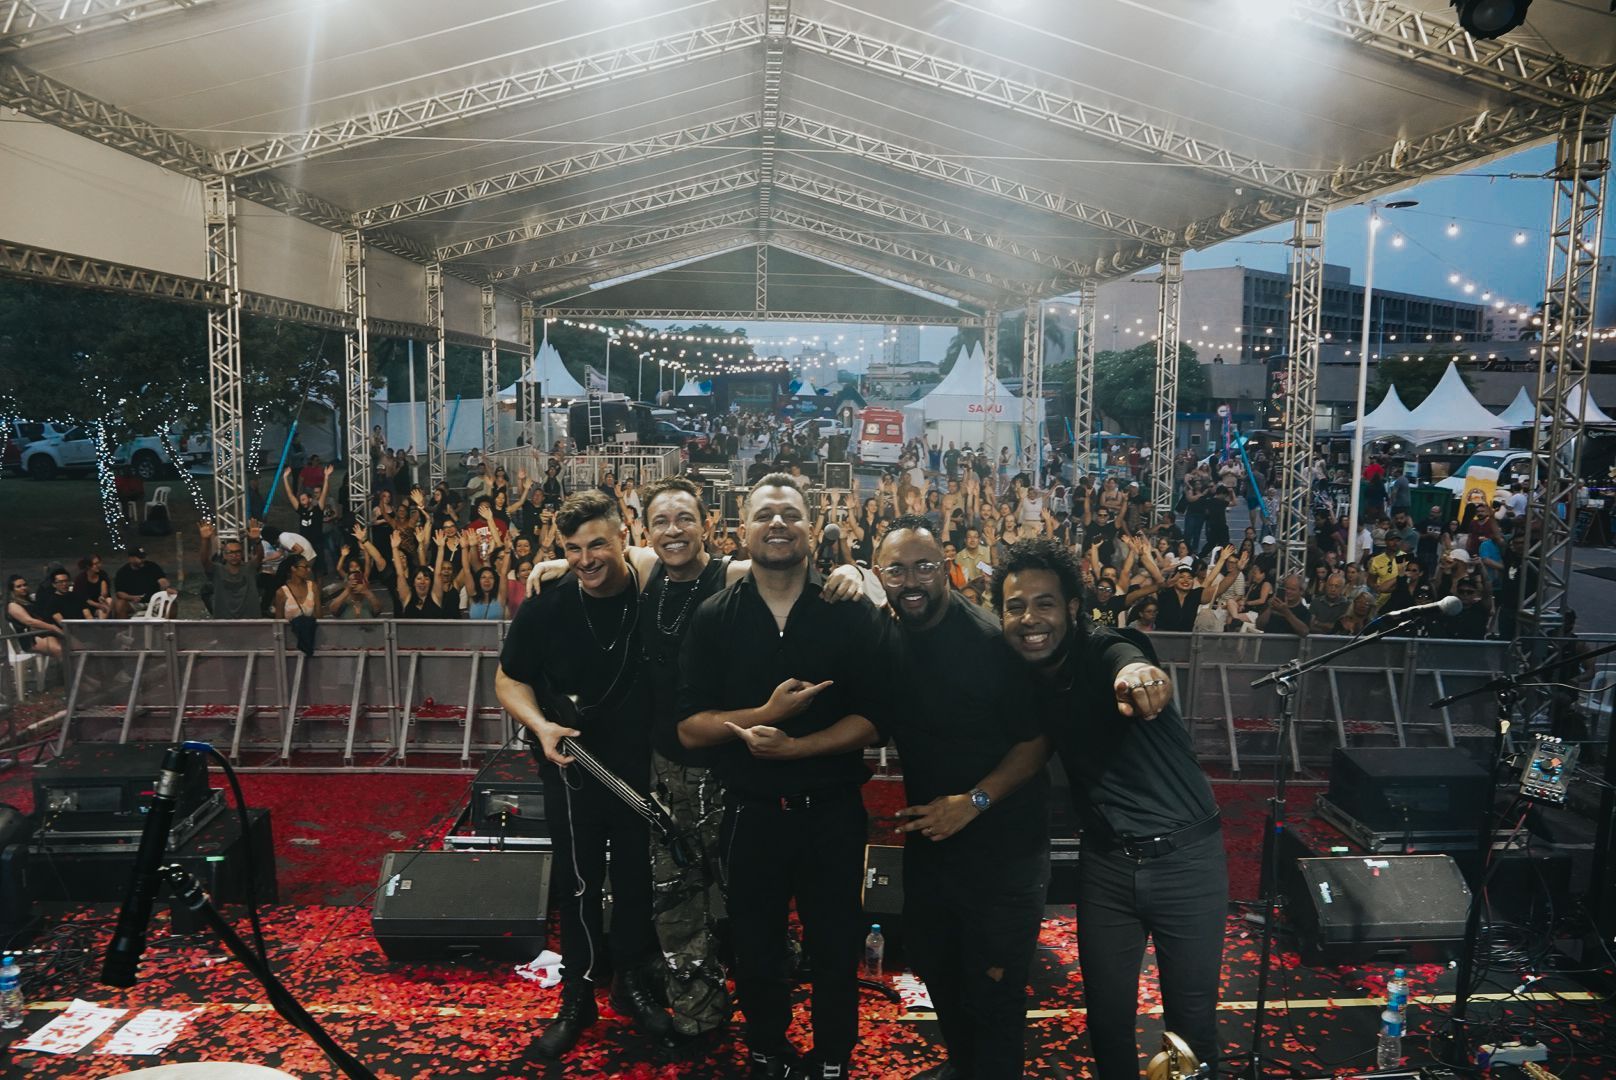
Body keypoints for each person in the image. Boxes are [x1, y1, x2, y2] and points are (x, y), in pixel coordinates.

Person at [678, 473, 896, 1080]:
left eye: (791, 515)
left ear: (812, 527)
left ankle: (832, 1057)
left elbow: (874, 720)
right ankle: (767, 1050)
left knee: (834, 944)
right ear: (741, 529)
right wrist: (762, 720)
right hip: (749, 814)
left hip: (831, 813)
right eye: (765, 514)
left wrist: (795, 748)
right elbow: (689, 728)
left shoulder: (846, 611)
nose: (778, 524)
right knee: (755, 947)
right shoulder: (716, 616)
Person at [994, 539, 1226, 1079]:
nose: (1030, 618)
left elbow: (1129, 660)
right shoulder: (1031, 677)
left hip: (1186, 863)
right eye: (1015, 606)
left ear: (1073, 608)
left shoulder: (1103, 648)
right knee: (1106, 1019)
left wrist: (1139, 676)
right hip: (1106, 868)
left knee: (1191, 1029)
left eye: (1044, 603)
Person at [495, 491, 670, 1059]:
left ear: (625, 536)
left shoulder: (654, 589)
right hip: (572, 768)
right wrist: (540, 726)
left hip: (641, 770)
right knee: (577, 885)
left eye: (598, 543)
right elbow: (508, 680)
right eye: (572, 548)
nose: (586, 558)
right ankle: (579, 993)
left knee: (640, 883)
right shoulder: (547, 604)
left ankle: (634, 984)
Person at [876, 517, 1050, 1080]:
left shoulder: (987, 641)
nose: (911, 581)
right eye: (896, 569)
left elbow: (1037, 740)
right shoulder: (888, 632)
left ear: (946, 567)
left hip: (1003, 848)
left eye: (924, 567)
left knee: (993, 993)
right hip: (933, 843)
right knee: (933, 963)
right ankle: (964, 1066)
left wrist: (972, 802)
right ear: (879, 574)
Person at [198, 520, 265, 619]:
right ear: (224, 555)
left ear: (242, 554)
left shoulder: (249, 568)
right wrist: (205, 540)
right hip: (224, 621)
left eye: (237, 552)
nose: (234, 555)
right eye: (230, 552)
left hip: (250, 620)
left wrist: (257, 540)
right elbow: (204, 560)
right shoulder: (217, 570)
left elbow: (260, 556)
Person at [5, 574, 65, 663]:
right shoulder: (13, 605)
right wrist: (52, 627)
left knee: (71, 648)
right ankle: (71, 675)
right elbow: (30, 621)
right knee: (61, 650)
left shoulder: (30, 601)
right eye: (19, 586)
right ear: (12, 590)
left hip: (43, 633)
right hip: (31, 638)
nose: (23, 588)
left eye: (25, 585)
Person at [113, 546, 176, 618]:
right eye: (140, 558)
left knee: (171, 605)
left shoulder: (152, 566)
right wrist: (131, 597)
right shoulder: (122, 572)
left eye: (143, 557)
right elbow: (119, 593)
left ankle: (166, 628)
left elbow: (162, 580)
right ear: (131, 558)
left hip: (154, 601)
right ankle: (124, 628)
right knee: (119, 604)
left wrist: (167, 588)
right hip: (134, 602)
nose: (142, 560)